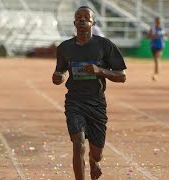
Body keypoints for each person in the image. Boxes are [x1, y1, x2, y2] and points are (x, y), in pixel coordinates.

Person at [52, 6, 127, 180]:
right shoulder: (65, 48)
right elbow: (62, 70)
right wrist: (59, 77)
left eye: (86, 17)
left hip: (96, 103)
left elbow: (121, 76)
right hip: (74, 102)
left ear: (93, 22)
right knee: (78, 144)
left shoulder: (105, 46)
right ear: (74, 23)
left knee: (97, 153)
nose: (82, 19)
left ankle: (94, 162)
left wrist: (99, 70)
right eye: (78, 17)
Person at [147, 17, 167, 81]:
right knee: (155, 61)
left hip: (160, 46)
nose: (158, 23)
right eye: (157, 21)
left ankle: (155, 75)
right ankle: (156, 73)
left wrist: (164, 37)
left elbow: (166, 36)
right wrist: (153, 36)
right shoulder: (153, 29)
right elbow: (148, 37)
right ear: (155, 22)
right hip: (153, 46)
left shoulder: (163, 29)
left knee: (157, 59)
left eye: (159, 22)